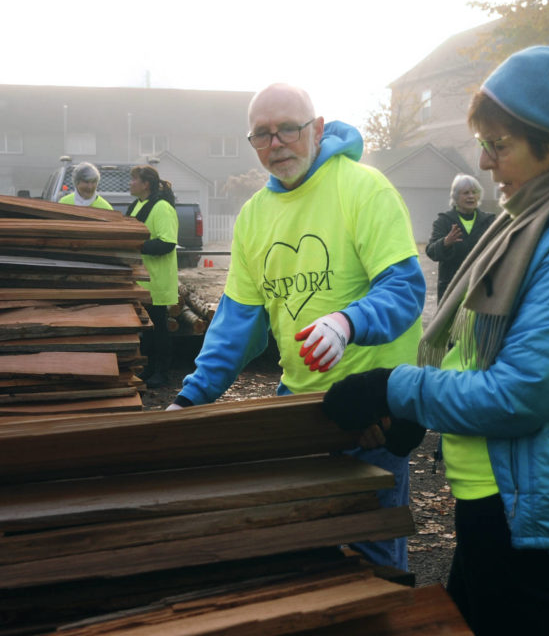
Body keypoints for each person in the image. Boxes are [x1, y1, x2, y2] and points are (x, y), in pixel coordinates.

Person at [322, 46, 549, 635]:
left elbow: (521, 393)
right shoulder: (544, 211)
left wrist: (393, 388)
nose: (482, 162)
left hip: (535, 500)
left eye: (499, 145)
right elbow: (478, 348)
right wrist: (421, 410)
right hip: (507, 489)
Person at [168, 83, 426, 571]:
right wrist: (191, 396)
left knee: (374, 563)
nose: (276, 142)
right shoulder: (254, 218)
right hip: (302, 412)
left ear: (319, 129)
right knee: (306, 554)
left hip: (372, 415)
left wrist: (348, 322)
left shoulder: (363, 189)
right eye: (262, 134)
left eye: (289, 128)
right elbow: (238, 324)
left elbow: (406, 290)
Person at [126, 164, 178, 388]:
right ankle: (149, 369)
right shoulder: (137, 206)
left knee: (158, 330)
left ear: (145, 184)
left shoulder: (162, 208)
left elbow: (167, 243)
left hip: (156, 281)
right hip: (140, 281)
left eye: (134, 179)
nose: (130, 183)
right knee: (147, 331)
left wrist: (135, 245)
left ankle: (162, 373)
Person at [426, 174, 495, 301]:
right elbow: (431, 251)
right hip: (451, 288)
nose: (471, 196)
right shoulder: (444, 221)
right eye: (466, 193)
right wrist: (445, 242)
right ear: (456, 197)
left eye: (474, 192)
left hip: (480, 288)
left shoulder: (489, 221)